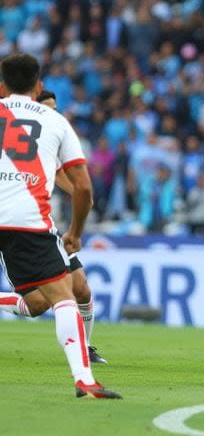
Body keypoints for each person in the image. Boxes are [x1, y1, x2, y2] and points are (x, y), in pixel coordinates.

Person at [0, 54, 120, 398]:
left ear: (2, 86)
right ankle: (84, 379)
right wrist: (75, 233)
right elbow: (84, 188)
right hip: (27, 220)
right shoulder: (55, 122)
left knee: (39, 303)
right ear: (38, 86)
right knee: (62, 296)